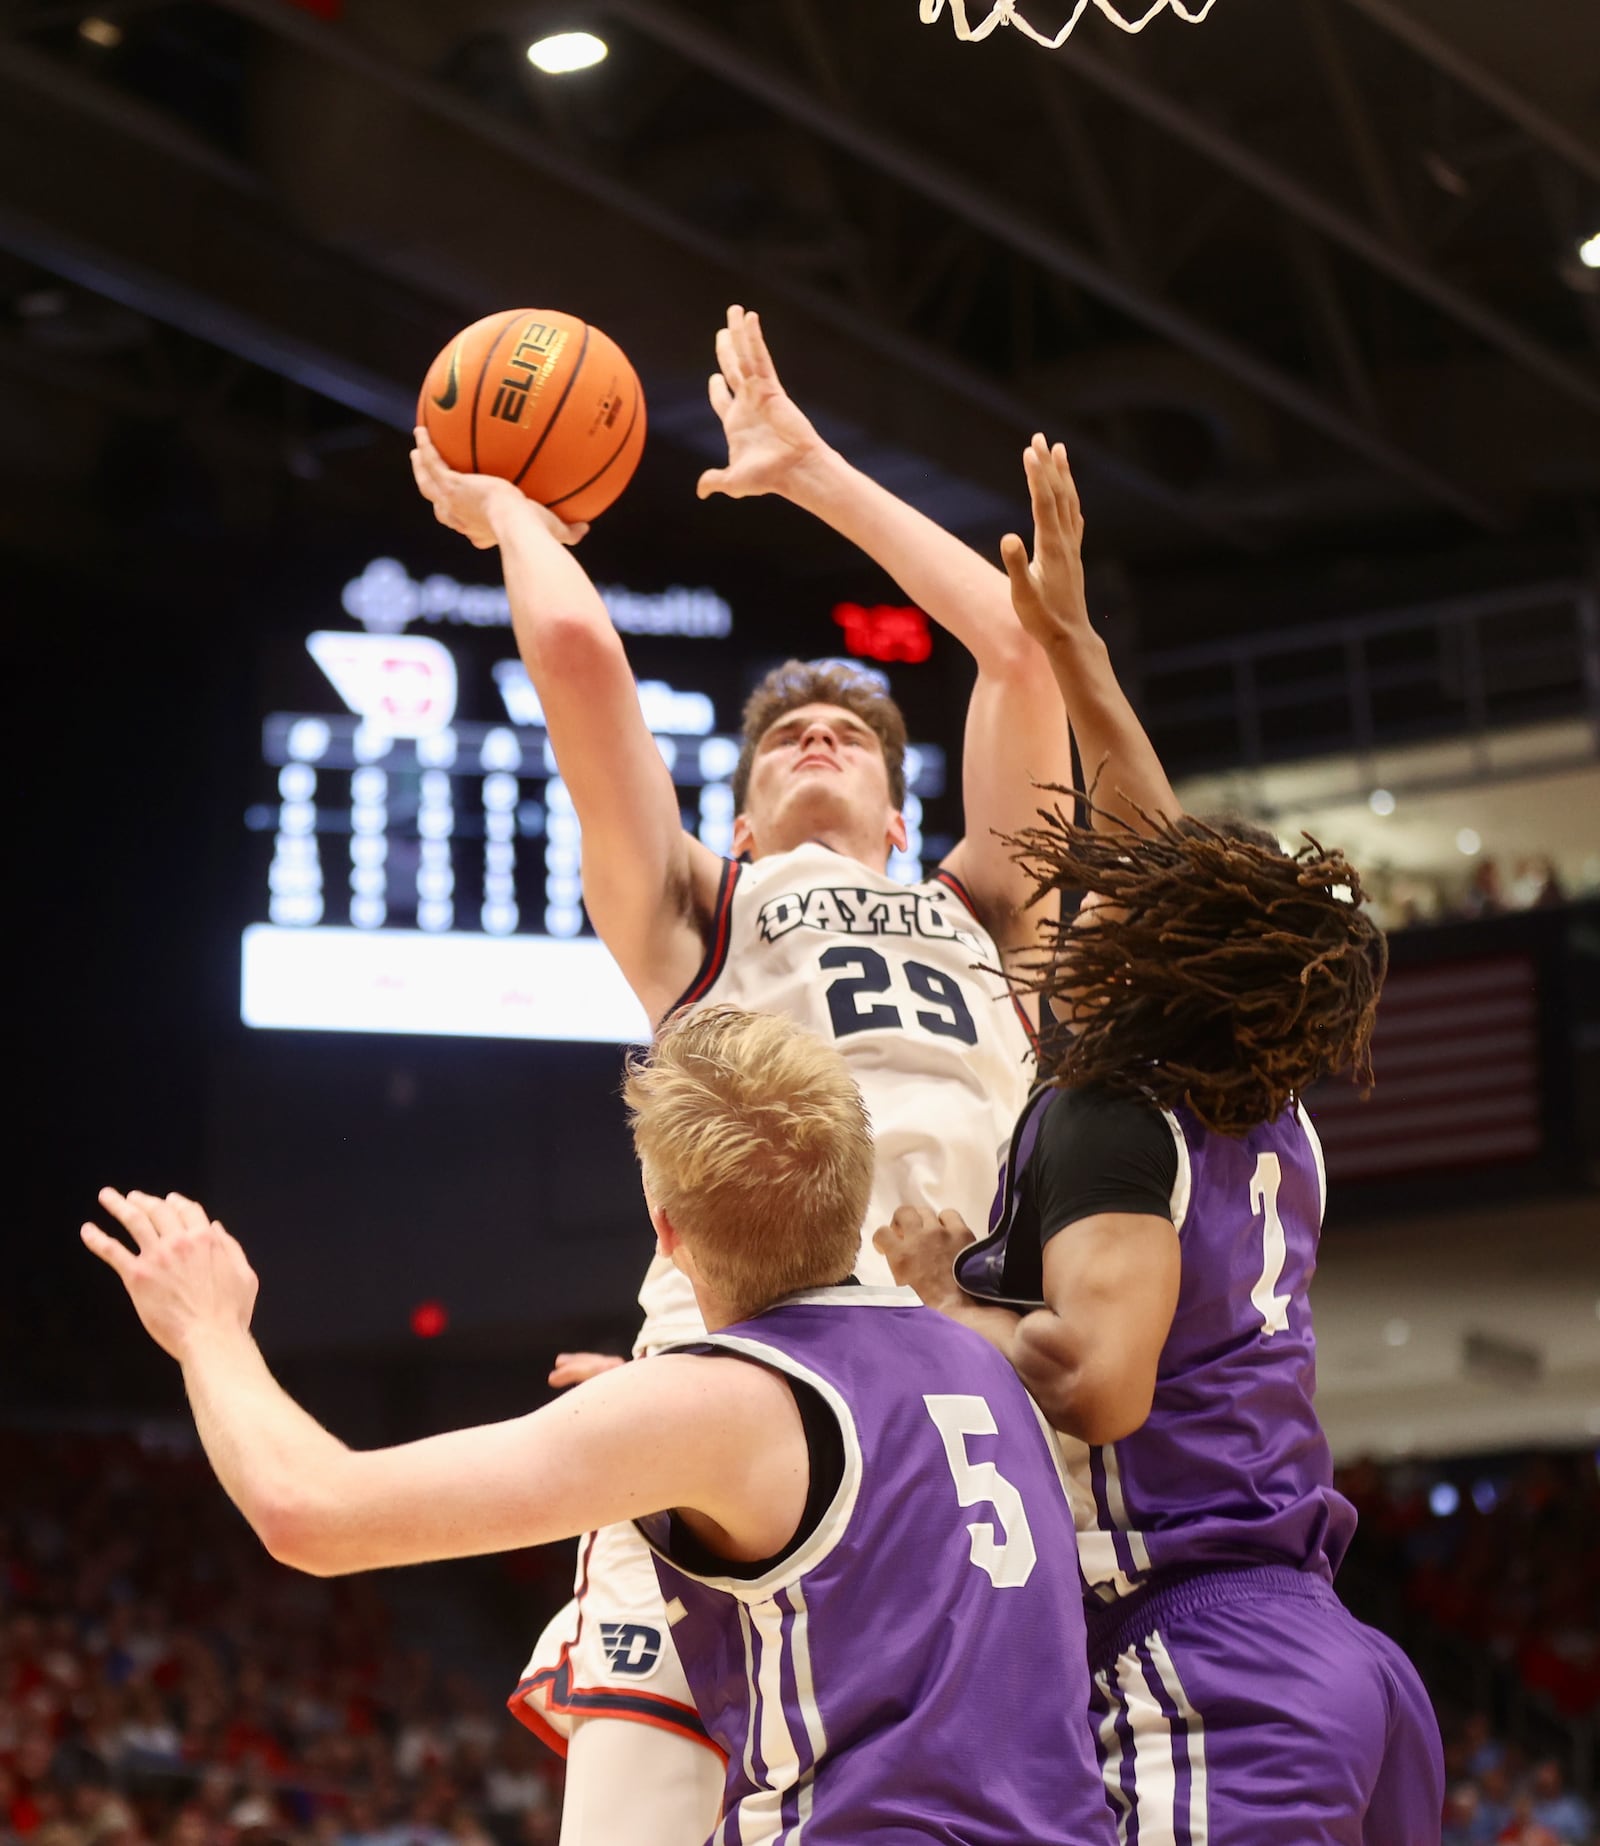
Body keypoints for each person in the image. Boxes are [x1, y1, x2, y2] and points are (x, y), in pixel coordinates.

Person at [411, 307, 1170, 1841]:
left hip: (961, 1395)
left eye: (853, 737)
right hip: (731, 1374)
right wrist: (509, 512)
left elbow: (1017, 642)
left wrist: (808, 464)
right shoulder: (700, 906)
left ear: (906, 820)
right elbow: (571, 647)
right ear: (742, 820)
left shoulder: (989, 906)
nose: (818, 736)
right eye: (781, 742)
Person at [80, 1005, 1116, 1846]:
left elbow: (308, 1509)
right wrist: (664, 1420)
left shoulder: (720, 1405)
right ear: (849, 1201)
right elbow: (867, 1503)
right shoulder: (984, 1362)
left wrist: (209, 1330)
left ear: (667, 1233)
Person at [875, 440, 1446, 1846]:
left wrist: (949, 1293)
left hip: (1211, 1656)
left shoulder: (1111, 1107)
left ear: (1140, 970)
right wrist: (1074, 651)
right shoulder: (1260, 1100)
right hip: (1325, 1654)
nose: (1075, 909)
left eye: (1101, 909)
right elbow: (1159, 854)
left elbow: (1106, 1380)